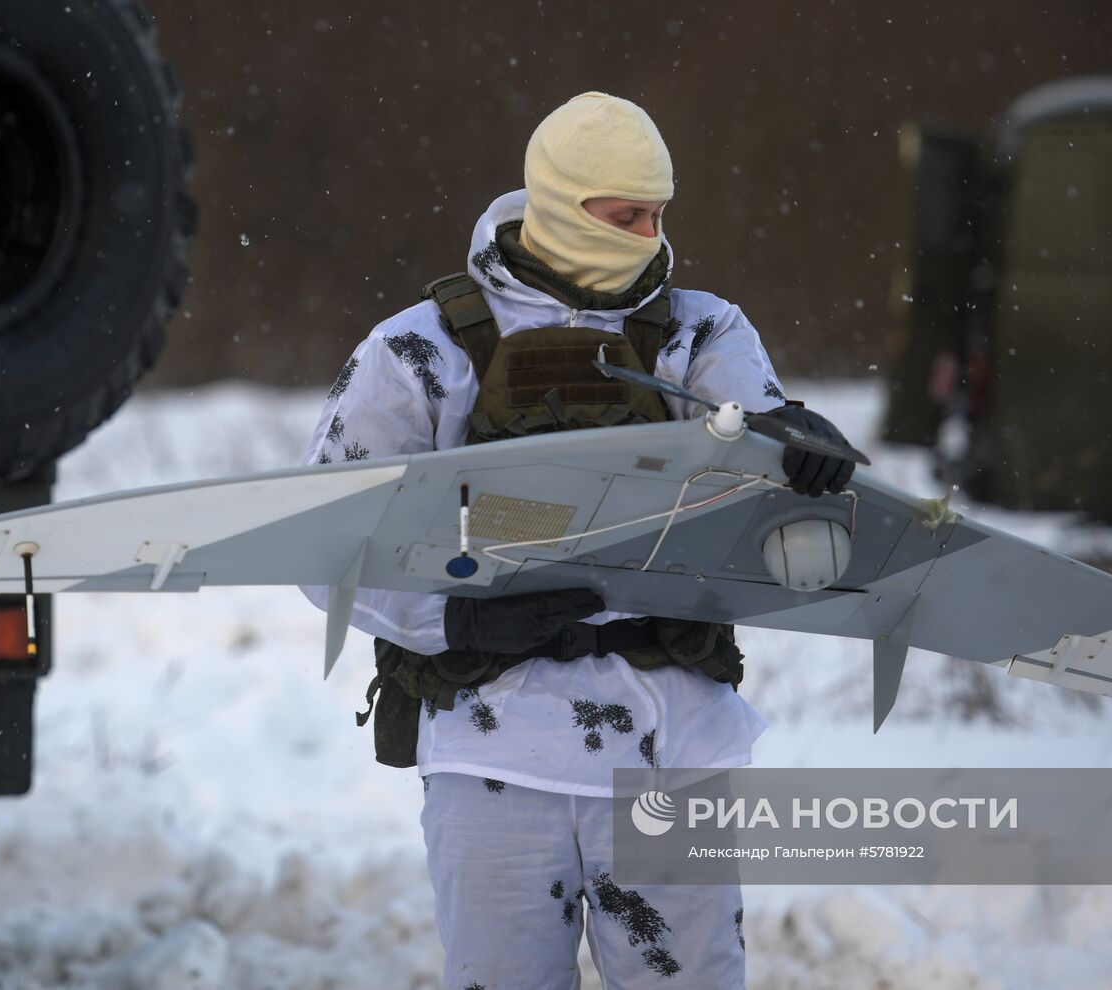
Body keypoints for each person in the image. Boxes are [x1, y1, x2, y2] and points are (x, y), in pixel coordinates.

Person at [303, 92, 855, 989]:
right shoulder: (422, 351)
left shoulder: (699, 333)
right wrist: (459, 625)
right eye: (624, 213)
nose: (648, 233)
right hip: (494, 755)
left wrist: (795, 444)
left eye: (659, 214)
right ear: (561, 203)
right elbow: (325, 540)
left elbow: (757, 436)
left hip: (674, 753)